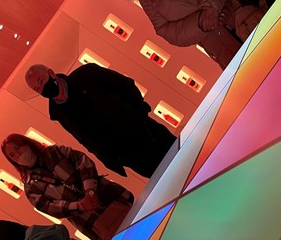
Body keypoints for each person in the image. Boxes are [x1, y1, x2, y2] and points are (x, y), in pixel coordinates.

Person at [24, 63, 176, 178]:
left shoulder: (85, 75)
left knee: (188, 160)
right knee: (169, 183)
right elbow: (84, 139)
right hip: (131, 157)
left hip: (148, 134)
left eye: (41, 81)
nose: (42, 88)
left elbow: (124, 85)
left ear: (51, 73)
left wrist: (140, 115)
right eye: (37, 89)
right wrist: (112, 160)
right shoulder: (59, 113)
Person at [1, 133, 134, 240]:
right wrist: (79, 206)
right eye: (12, 155)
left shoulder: (56, 152)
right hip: (91, 221)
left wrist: (90, 192)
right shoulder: (31, 187)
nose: (18, 155)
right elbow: (49, 207)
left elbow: (83, 162)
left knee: (143, 222)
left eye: (18, 148)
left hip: (110, 197)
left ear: (27, 143)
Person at [134, 0, 268, 70]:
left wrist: (211, 8)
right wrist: (201, 23)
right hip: (220, 46)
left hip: (241, 17)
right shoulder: (147, 1)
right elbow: (167, 32)